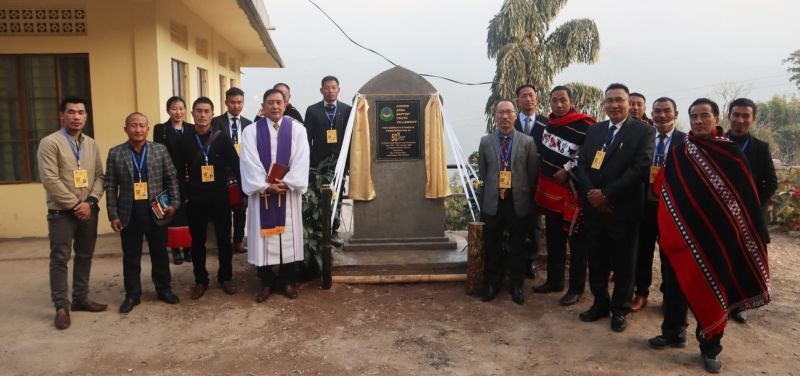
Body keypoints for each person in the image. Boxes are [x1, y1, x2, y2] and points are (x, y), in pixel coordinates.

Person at [648, 98, 770, 373]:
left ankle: (710, 346)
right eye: (694, 116)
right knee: (675, 287)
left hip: (717, 239)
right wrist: (669, 227)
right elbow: (666, 191)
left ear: (716, 119)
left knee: (712, 289)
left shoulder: (731, 155)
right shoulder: (680, 152)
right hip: (680, 235)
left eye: (705, 116)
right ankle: (672, 332)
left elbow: (745, 199)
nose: (699, 121)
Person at [575, 83, 655, 332]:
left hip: (623, 210)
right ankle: (600, 302)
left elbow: (640, 168)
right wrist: (592, 194)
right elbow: (583, 164)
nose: (614, 105)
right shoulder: (595, 130)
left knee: (624, 263)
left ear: (629, 103)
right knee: (596, 260)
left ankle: (619, 309)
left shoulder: (643, 132)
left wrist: (608, 195)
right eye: (609, 100)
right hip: (594, 209)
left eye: (619, 100)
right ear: (604, 103)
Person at [37, 96, 107, 330]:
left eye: (81, 112)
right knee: (60, 258)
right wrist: (76, 206)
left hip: (89, 209)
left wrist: (90, 202)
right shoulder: (50, 143)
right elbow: (50, 180)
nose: (76, 117)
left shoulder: (91, 144)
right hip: (62, 212)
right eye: (71, 112)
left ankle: (80, 298)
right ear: (62, 115)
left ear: (86, 116)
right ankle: (61, 306)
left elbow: (100, 176)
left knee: (85, 255)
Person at [106, 112, 181, 313]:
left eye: (142, 125)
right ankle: (132, 294)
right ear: (126, 129)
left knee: (160, 254)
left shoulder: (160, 150)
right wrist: (113, 214)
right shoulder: (116, 153)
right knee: (131, 257)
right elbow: (111, 186)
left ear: (148, 129)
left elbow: (172, 177)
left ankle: (164, 289)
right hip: (128, 213)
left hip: (157, 211)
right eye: (133, 125)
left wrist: (174, 203)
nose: (138, 129)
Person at [240, 89, 310, 302]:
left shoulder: (297, 130)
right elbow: (248, 161)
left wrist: (287, 183)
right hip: (263, 194)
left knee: (288, 237)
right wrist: (264, 186)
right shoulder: (251, 132)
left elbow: (302, 158)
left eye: (279, 102)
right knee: (264, 241)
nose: (275, 106)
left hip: (287, 195)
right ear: (263, 105)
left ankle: (288, 281)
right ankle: (266, 282)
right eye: (270, 102)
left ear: (286, 103)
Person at [532, 85, 596, 307]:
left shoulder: (585, 125)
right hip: (551, 192)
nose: (558, 104)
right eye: (554, 100)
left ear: (571, 101)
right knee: (554, 239)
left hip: (573, 193)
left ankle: (576, 289)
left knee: (577, 242)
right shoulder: (549, 124)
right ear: (549, 102)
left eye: (563, 100)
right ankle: (554, 281)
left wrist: (568, 169)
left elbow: (590, 153)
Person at [176, 97, 241, 300]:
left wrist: (243, 193)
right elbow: (177, 171)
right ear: (192, 114)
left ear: (212, 114)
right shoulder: (185, 139)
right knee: (197, 242)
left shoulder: (221, 138)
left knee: (224, 240)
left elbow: (236, 165)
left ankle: (225, 277)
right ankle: (200, 280)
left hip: (220, 198)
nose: (202, 115)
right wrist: (184, 196)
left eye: (206, 111)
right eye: (199, 111)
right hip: (195, 200)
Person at [478, 100, 539, 305]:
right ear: (495, 116)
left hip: (517, 202)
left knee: (517, 246)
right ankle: (492, 284)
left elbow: (532, 175)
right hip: (493, 202)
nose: (504, 117)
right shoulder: (486, 141)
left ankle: (516, 285)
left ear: (515, 116)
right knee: (492, 245)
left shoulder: (527, 142)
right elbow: (485, 173)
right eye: (500, 113)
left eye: (508, 113)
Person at [724, 97, 778, 324]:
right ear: (729, 117)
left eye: (746, 115)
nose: (740, 120)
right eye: (736, 115)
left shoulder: (760, 148)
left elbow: (771, 182)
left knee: (742, 261)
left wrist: (753, 207)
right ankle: (714, 301)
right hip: (719, 214)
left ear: (753, 119)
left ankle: (738, 305)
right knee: (718, 257)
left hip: (748, 217)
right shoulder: (718, 143)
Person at [631, 97, 686, 313]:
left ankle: (669, 294)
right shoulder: (643, 139)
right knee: (642, 252)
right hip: (644, 205)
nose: (662, 115)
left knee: (669, 254)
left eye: (667, 111)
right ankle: (641, 292)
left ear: (676, 114)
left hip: (671, 209)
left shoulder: (685, 141)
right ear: (651, 115)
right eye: (657, 111)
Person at [153, 96, 194, 265]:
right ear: (168, 110)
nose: (178, 112)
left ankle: (188, 248)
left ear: (186, 110)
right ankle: (176, 249)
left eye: (181, 108)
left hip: (189, 177)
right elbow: (159, 153)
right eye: (174, 108)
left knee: (189, 214)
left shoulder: (191, 128)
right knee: (173, 213)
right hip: (168, 177)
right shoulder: (161, 129)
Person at [211, 87, 253, 254]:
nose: (236, 106)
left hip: (242, 170)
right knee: (223, 207)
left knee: (241, 206)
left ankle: (238, 241)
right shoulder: (216, 122)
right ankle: (224, 241)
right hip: (222, 171)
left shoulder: (249, 124)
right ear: (226, 102)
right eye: (232, 102)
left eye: (239, 102)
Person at [513, 84, 547, 279]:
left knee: (534, 223)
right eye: (523, 96)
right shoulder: (511, 121)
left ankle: (531, 260)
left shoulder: (546, 123)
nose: (528, 99)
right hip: (515, 182)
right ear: (518, 99)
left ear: (537, 98)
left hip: (538, 181)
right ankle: (515, 260)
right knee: (515, 221)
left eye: (531, 95)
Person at [304, 75, 353, 169]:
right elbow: (307, 137)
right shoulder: (312, 110)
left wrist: (349, 161)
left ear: (338, 89)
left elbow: (350, 137)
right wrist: (308, 160)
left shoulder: (347, 110)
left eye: (334, 88)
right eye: (327, 88)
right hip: (317, 161)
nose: (331, 91)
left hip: (340, 160)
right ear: (321, 90)